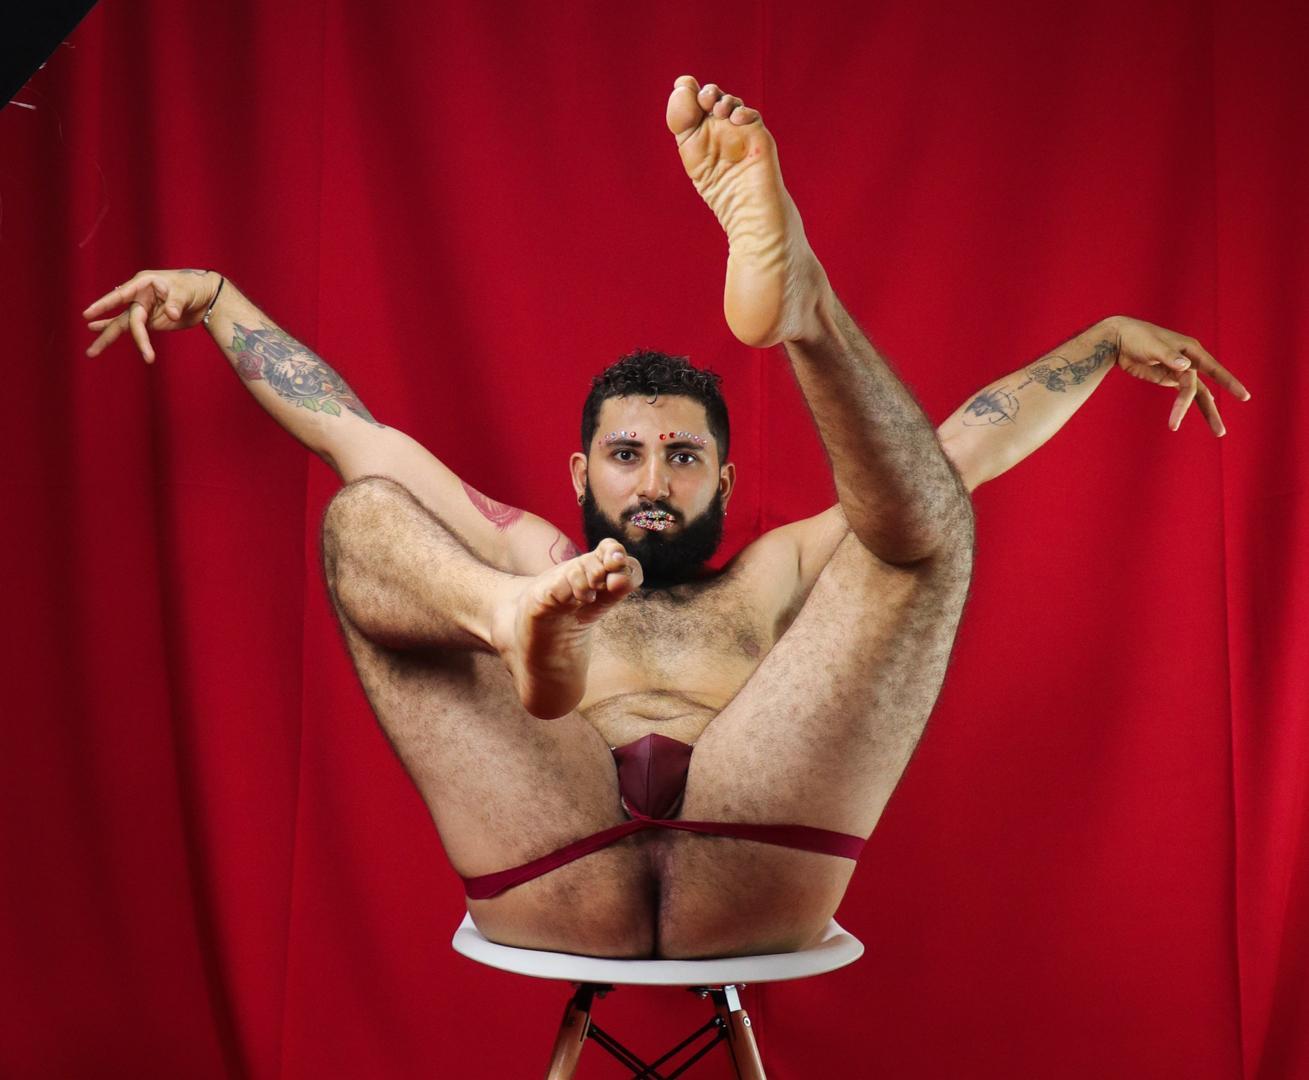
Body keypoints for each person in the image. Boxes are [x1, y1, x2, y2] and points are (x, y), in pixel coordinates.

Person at [82, 76, 1249, 960]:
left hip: (759, 844)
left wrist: (1101, 343)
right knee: (365, 512)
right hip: (552, 842)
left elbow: (960, 447)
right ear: (580, 470)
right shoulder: (529, 547)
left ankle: (804, 314)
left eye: (684, 457)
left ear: (725, 483)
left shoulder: (776, 569)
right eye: (627, 455)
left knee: (922, 519)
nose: (653, 480)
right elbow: (352, 431)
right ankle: (511, 626)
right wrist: (222, 302)